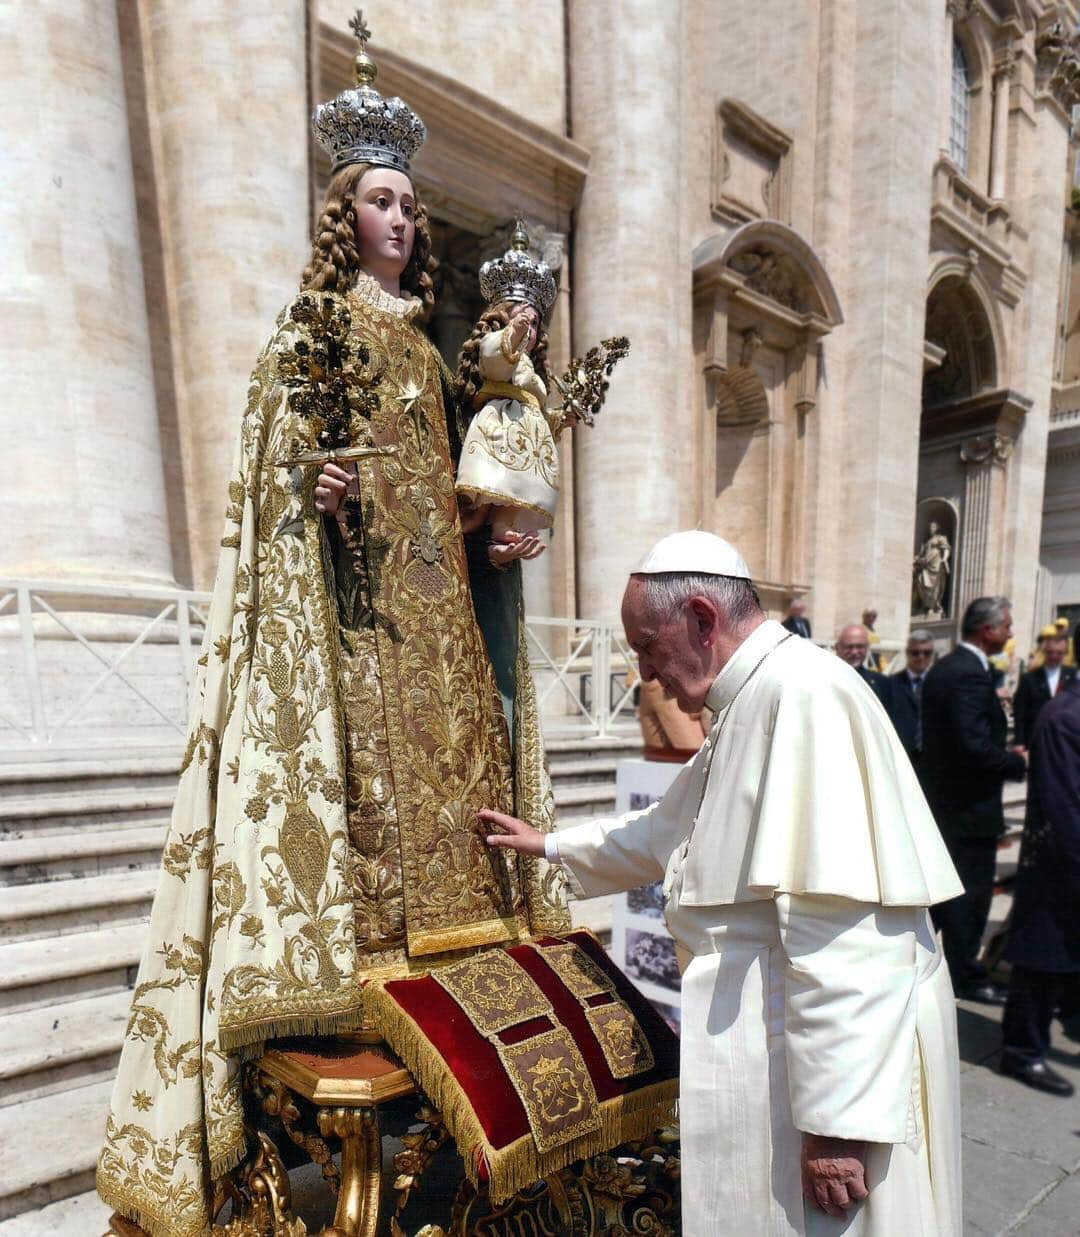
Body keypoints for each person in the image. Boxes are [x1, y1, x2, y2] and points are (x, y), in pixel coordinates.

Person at [97, 21, 568, 1234]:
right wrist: (306, 496)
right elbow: (263, 479)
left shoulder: (432, 348)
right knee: (364, 809)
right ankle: (355, 981)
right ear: (343, 215)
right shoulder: (309, 338)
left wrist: (505, 529)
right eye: (381, 199)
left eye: (412, 201)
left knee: (457, 793)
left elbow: (474, 485)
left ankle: (459, 975)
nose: (404, 219)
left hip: (442, 637)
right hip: (354, 633)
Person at [482, 530, 964, 1236]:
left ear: (703, 620)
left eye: (647, 646)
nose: (646, 674)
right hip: (773, 1044)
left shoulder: (805, 695)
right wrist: (546, 844)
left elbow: (849, 933)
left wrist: (835, 1126)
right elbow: (663, 830)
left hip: (826, 1072)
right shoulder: (749, 699)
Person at [920, 597, 1027, 1004]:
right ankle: (966, 975)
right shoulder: (968, 675)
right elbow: (973, 746)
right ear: (988, 630)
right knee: (971, 895)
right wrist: (1015, 764)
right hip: (968, 810)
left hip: (947, 806)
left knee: (946, 896)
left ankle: (936, 966)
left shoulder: (946, 669)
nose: (1010, 634)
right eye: (1007, 627)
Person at [453, 221, 573, 541]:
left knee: (515, 490)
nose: (529, 329)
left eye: (534, 324)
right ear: (503, 315)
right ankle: (475, 520)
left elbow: (540, 410)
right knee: (492, 481)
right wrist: (512, 333)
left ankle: (504, 526)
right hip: (500, 430)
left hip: (525, 440)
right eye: (522, 318)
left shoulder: (531, 370)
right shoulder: (498, 345)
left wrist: (560, 420)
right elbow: (493, 361)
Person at [999, 672, 1080, 1097]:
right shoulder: (1063, 716)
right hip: (1058, 864)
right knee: (1041, 961)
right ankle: (1022, 1051)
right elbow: (1064, 804)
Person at [1013, 630, 1076, 750]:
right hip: (1036, 738)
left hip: (1065, 739)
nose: (1054, 656)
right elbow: (1020, 712)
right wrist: (1019, 742)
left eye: (1059, 653)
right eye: (1050, 652)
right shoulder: (1029, 679)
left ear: (1066, 653)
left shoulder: (1072, 676)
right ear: (1044, 652)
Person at [884, 629, 935, 772]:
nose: (921, 657)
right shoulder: (891, 684)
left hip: (932, 762)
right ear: (907, 653)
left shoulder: (942, 684)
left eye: (926, 653)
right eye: (915, 653)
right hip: (901, 761)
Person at [835, 623, 890, 704]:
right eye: (849, 647)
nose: (854, 652)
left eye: (860, 647)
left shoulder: (882, 683)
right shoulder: (824, 679)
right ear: (837, 648)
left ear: (867, 648)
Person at [862, 607, 886, 671]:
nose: (871, 618)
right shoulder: (861, 629)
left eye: (874, 616)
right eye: (868, 616)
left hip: (876, 659)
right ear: (864, 617)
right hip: (866, 661)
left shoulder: (874, 631)